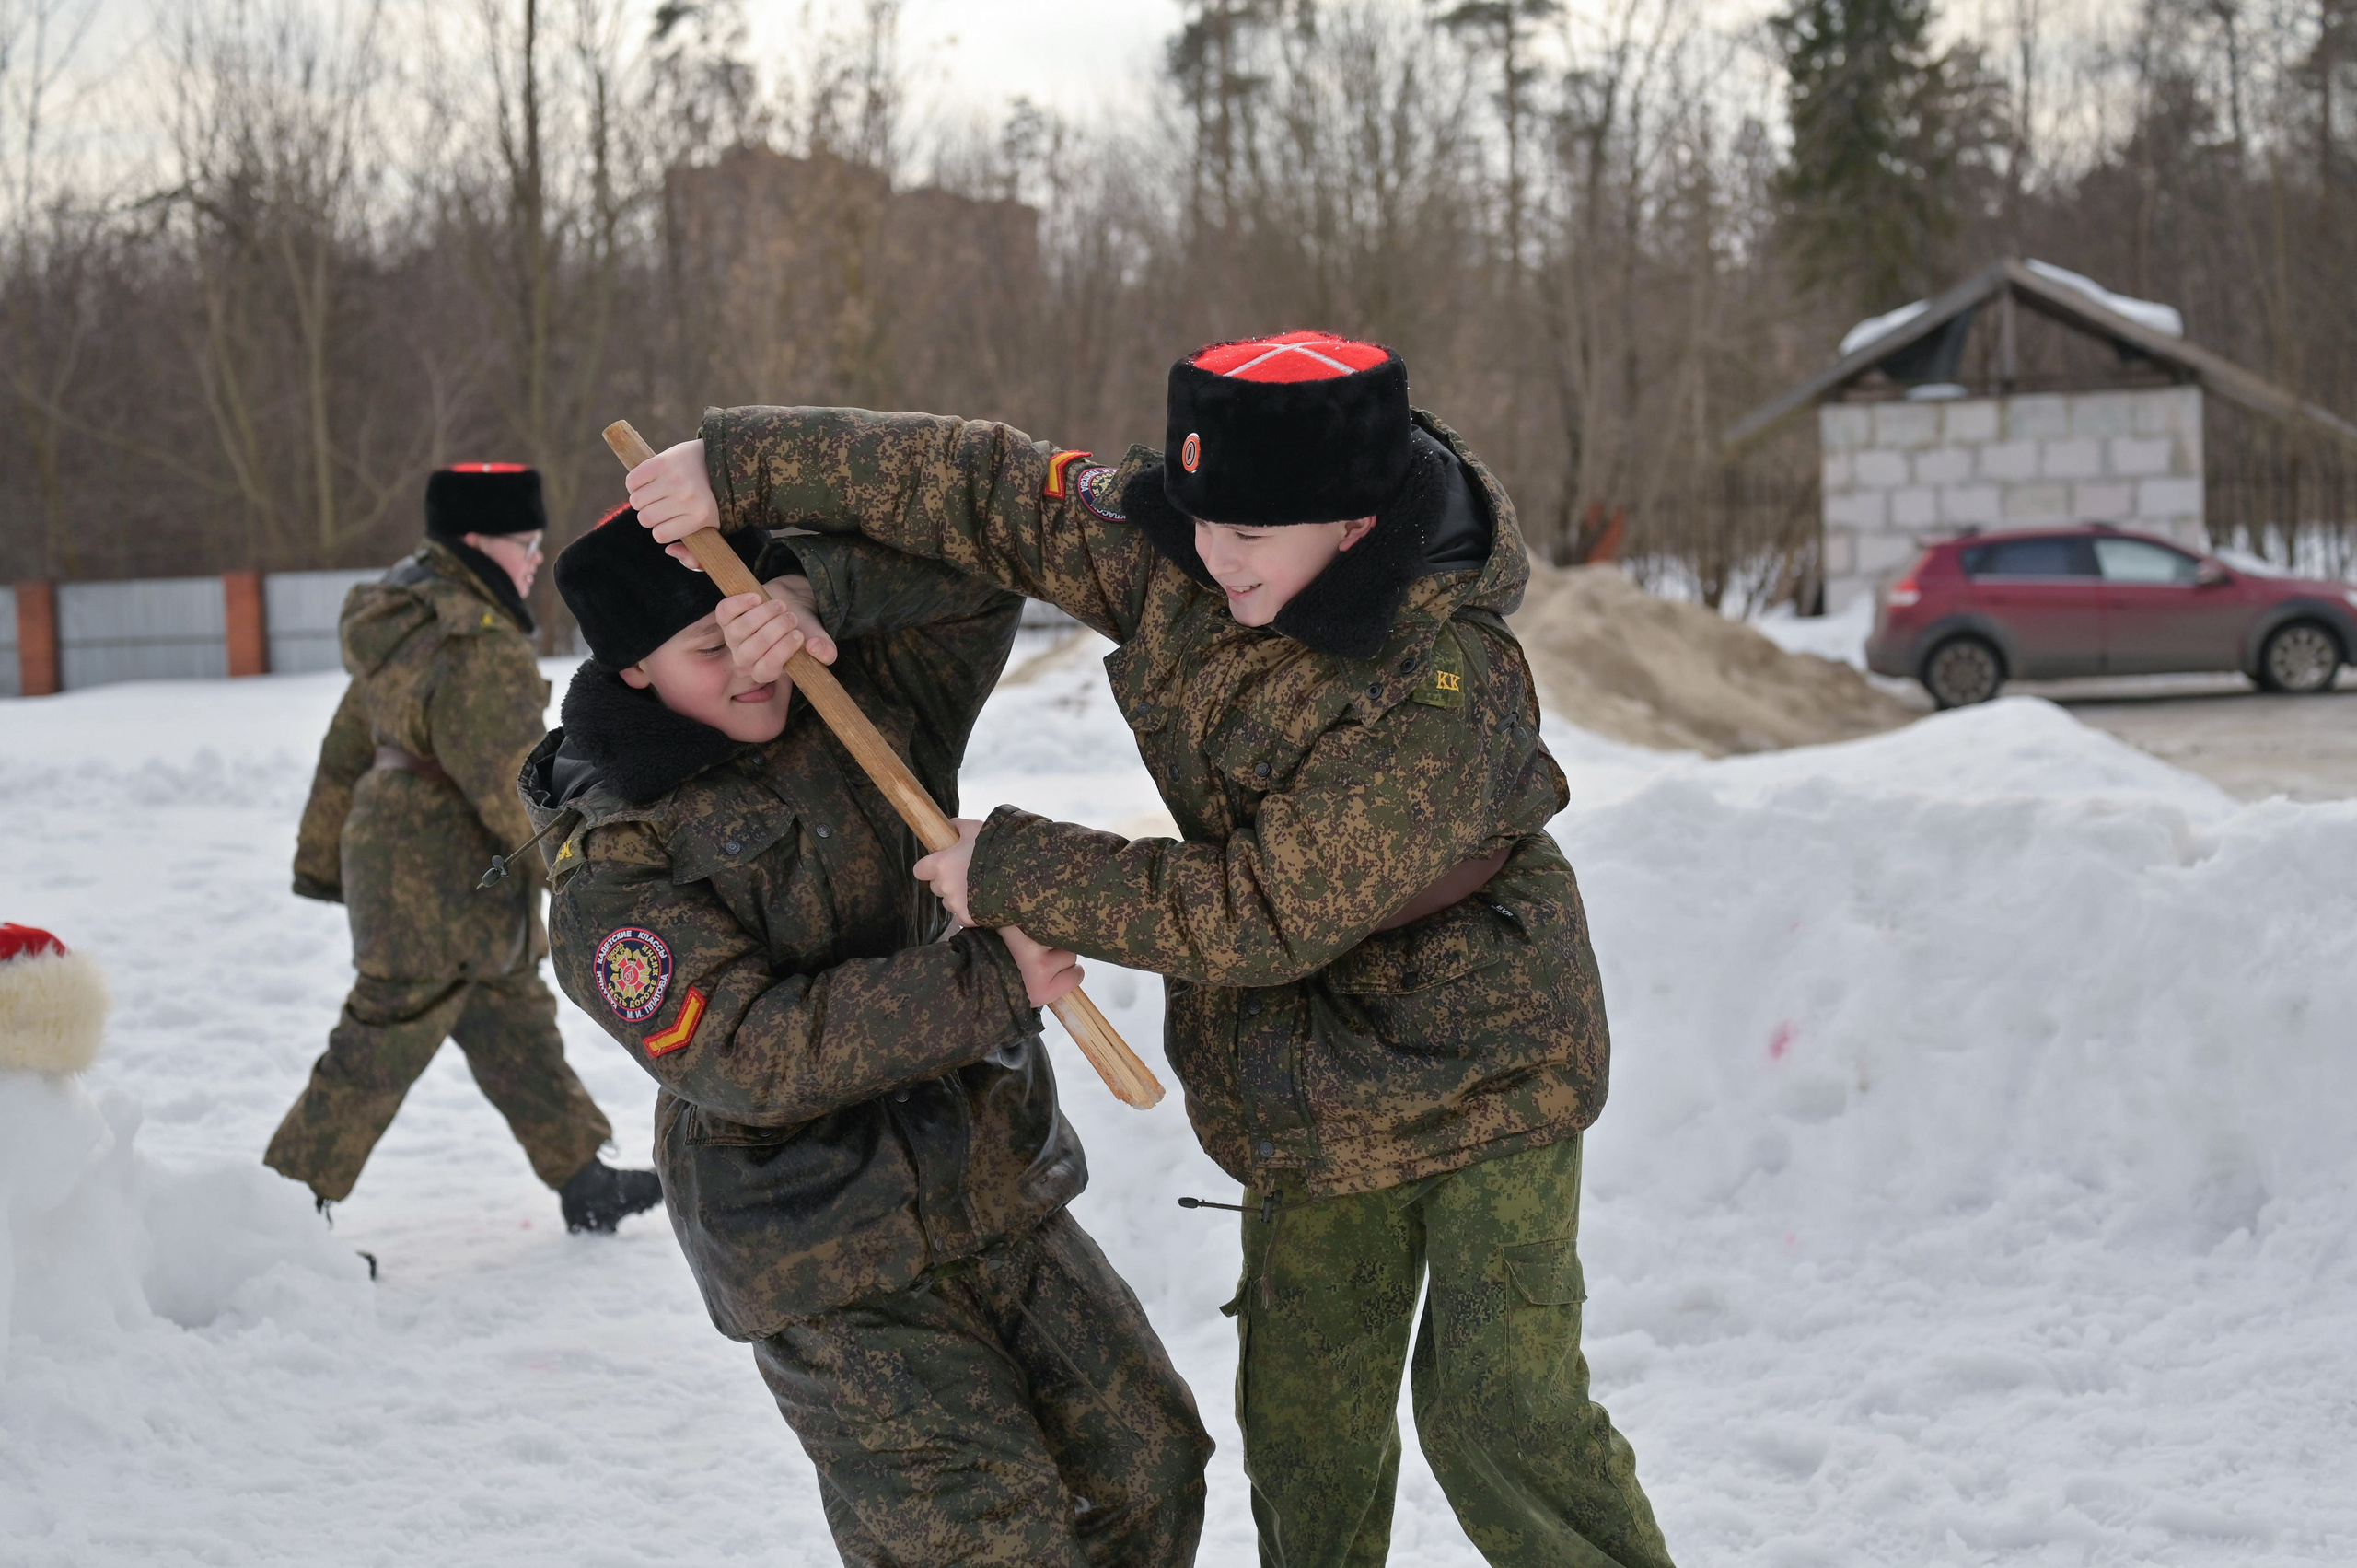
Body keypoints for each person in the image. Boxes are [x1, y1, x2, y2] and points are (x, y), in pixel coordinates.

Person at [623, 331, 1679, 1568]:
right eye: (1200, 520)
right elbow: (986, 488)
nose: (1213, 555)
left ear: (1352, 522)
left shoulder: (1449, 680)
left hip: (1481, 1056)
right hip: (1303, 1080)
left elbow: (1261, 909)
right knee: (1307, 1428)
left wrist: (1015, 867)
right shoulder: (1194, 542)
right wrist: (747, 474)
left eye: (1251, 535)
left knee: (1500, 1414)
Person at [520, 505, 1210, 1568]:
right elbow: (750, 1053)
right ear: (635, 671)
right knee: (985, 1533)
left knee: (1148, 1460)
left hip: (992, 1183)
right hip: (817, 1244)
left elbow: (977, 573)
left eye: (757, 630)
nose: (756, 667)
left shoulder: (867, 708)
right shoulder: (614, 865)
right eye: (713, 648)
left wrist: (810, 591)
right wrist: (985, 981)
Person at [266, 464, 659, 1235]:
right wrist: (588, 881)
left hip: (413, 865)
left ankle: (583, 1177)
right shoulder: (477, 645)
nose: (536, 559)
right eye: (527, 543)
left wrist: (324, 854)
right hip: (437, 880)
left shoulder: (404, 623)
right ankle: (282, 1212)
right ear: (478, 542)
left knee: (511, 1018)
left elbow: (348, 748)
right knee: (379, 1041)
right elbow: (514, 785)